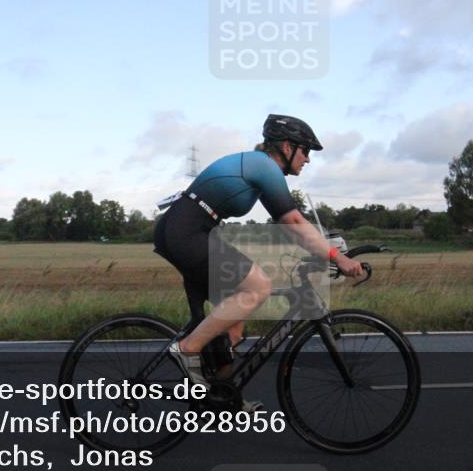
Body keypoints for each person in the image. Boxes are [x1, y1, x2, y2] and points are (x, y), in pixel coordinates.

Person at [153, 114, 364, 387]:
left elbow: (288, 225)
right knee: (258, 287)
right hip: (187, 231)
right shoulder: (265, 167)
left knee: (232, 324)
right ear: (287, 147)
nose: (308, 159)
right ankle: (187, 350)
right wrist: (337, 257)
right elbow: (293, 221)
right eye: (305, 151)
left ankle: (223, 396)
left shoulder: (258, 168)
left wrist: (321, 247)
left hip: (186, 228)